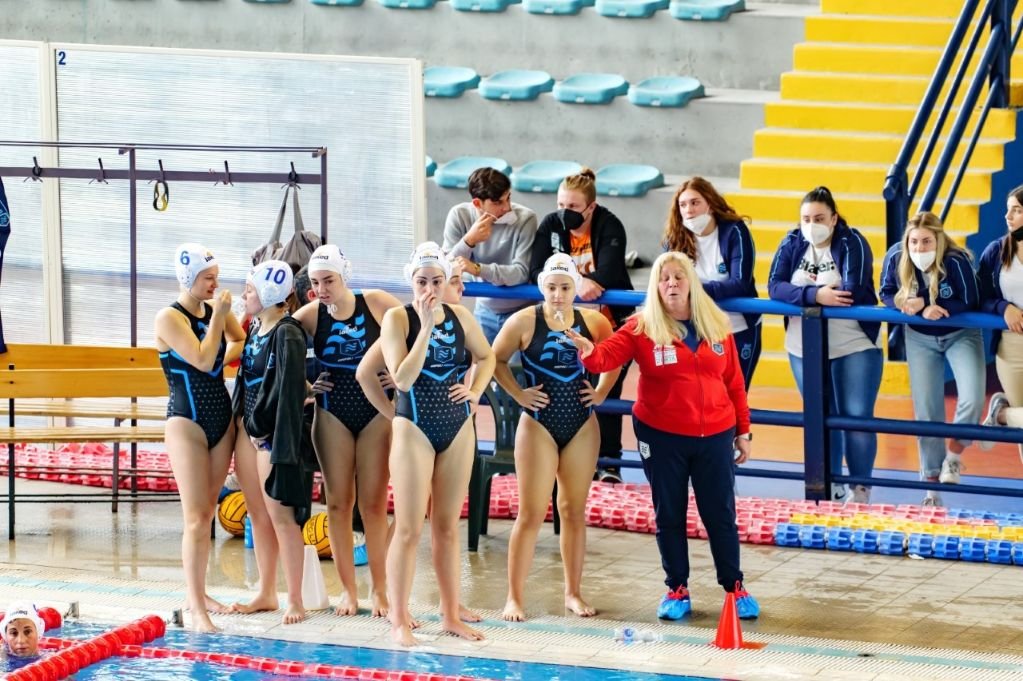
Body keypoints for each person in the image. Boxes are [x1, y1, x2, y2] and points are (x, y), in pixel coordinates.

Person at [565, 251, 758, 620]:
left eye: (678, 277)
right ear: (655, 286)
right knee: (669, 512)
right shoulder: (641, 327)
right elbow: (606, 357)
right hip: (662, 436)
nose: (671, 284)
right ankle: (677, 588)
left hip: (716, 434)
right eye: (664, 278)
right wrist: (588, 353)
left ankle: (734, 587)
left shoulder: (717, 326)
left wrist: (743, 431)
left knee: (720, 514)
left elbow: (735, 383)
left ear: (691, 283)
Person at [380, 242, 495, 646]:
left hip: (457, 426)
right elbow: (402, 379)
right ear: (411, 281)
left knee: (447, 527)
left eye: (437, 281)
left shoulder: (462, 316)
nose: (430, 289)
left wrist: (475, 391)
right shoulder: (398, 319)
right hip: (413, 427)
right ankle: (398, 618)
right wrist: (426, 327)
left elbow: (487, 357)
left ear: (447, 282)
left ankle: (450, 615)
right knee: (409, 529)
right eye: (422, 281)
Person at [493, 254, 619, 622]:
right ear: (542, 287)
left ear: (576, 288)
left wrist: (601, 392)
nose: (558, 294)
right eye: (551, 287)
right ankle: (514, 597)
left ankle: (573, 593)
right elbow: (494, 360)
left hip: (581, 423)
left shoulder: (593, 321)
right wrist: (518, 394)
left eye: (565, 287)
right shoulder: (523, 321)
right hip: (538, 424)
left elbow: (614, 358)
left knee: (573, 511)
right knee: (531, 513)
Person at [293, 244, 401, 617]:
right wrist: (306, 389)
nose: (321, 289)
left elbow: (416, 329)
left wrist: (399, 374)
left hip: (375, 413)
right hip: (332, 414)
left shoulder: (376, 303)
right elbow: (277, 349)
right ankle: (349, 592)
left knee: (373, 505)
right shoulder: (310, 315)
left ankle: (380, 590)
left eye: (329, 281)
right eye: (315, 282)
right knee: (338, 503)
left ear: (345, 276)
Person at [768, 186, 882, 505]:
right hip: (803, 346)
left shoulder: (852, 241)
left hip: (853, 345)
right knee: (820, 417)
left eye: (819, 218)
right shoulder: (792, 242)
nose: (811, 224)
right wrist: (816, 295)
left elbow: (851, 290)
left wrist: (801, 293)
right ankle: (829, 488)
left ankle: (861, 490)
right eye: (806, 218)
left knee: (856, 418)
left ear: (833, 219)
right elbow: (774, 286)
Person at [154, 243, 245, 632]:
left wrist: (224, 332)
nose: (215, 285)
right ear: (188, 278)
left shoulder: (214, 312)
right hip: (186, 422)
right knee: (195, 518)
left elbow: (239, 340)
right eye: (208, 278)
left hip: (220, 419)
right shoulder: (169, 318)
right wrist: (220, 317)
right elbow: (204, 360)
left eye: (216, 277)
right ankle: (196, 608)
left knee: (208, 512)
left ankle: (201, 594)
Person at [529, 168, 635, 483]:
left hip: (608, 323)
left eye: (573, 207)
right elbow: (536, 270)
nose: (566, 212)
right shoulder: (551, 224)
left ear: (591, 207)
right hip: (563, 326)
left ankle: (609, 463)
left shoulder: (609, 224)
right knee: (570, 391)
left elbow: (610, 272)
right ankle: (567, 461)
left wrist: (579, 282)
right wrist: (579, 282)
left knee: (605, 391)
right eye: (561, 205)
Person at [881, 211, 983, 506]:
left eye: (926, 241)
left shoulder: (956, 260)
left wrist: (926, 301)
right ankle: (931, 490)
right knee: (927, 411)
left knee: (973, 398)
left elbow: (970, 298)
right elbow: (885, 292)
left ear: (938, 240)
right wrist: (909, 305)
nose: (919, 248)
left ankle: (954, 457)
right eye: (914, 241)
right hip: (920, 338)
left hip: (961, 334)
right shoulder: (896, 257)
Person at [231, 260, 313, 625]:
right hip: (247, 429)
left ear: (267, 293)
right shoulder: (256, 326)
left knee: (282, 518)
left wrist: (263, 430)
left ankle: (295, 599)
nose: (244, 295)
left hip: (269, 434)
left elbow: (288, 385)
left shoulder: (287, 332)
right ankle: (266, 592)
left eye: (250, 289)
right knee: (257, 514)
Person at [662, 177, 760, 388]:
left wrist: (693, 290)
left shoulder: (735, 231)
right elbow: (665, 284)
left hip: (736, 328)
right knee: (698, 394)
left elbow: (740, 283)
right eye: (683, 205)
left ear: (710, 203)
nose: (689, 210)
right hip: (693, 329)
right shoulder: (675, 238)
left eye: (695, 202)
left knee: (735, 395)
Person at [443, 167, 538, 343]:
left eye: (508, 198)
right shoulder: (459, 215)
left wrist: (477, 269)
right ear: (477, 203)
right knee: (481, 360)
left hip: (523, 311)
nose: (507, 207)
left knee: (518, 364)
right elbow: (445, 269)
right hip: (484, 310)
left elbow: (521, 273)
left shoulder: (526, 219)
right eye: (498, 202)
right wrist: (469, 241)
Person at [979, 185, 1023, 463]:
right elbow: (978, 296)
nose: (1008, 216)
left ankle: (1002, 415)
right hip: (1011, 347)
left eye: (1017, 210)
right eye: (1008, 210)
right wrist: (1003, 307)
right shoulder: (996, 251)